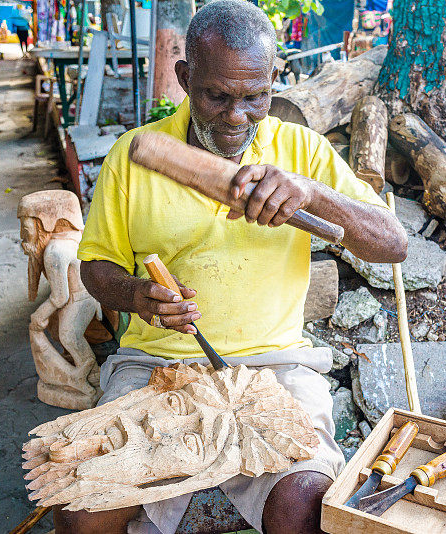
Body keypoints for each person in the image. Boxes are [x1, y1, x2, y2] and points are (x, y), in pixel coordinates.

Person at [60, 0, 408, 532]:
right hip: (156, 368)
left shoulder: (301, 150)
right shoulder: (135, 153)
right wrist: (136, 297)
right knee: (82, 510)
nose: (236, 115)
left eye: (254, 97)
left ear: (274, 79)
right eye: (216, 96)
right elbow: (95, 266)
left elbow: (393, 243)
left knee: (306, 503)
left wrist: (311, 193)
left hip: (276, 368)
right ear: (184, 77)